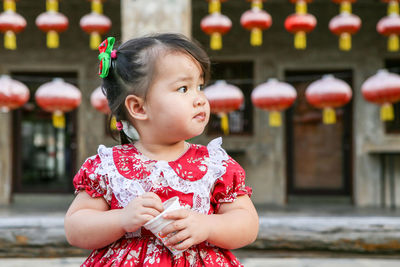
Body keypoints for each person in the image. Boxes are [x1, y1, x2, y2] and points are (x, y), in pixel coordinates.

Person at [64, 33, 259, 266]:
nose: (199, 99)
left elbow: (247, 223)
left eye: (199, 86)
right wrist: (121, 219)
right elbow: (76, 228)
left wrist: (207, 225)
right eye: (184, 89)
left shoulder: (215, 164)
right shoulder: (108, 167)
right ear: (138, 107)